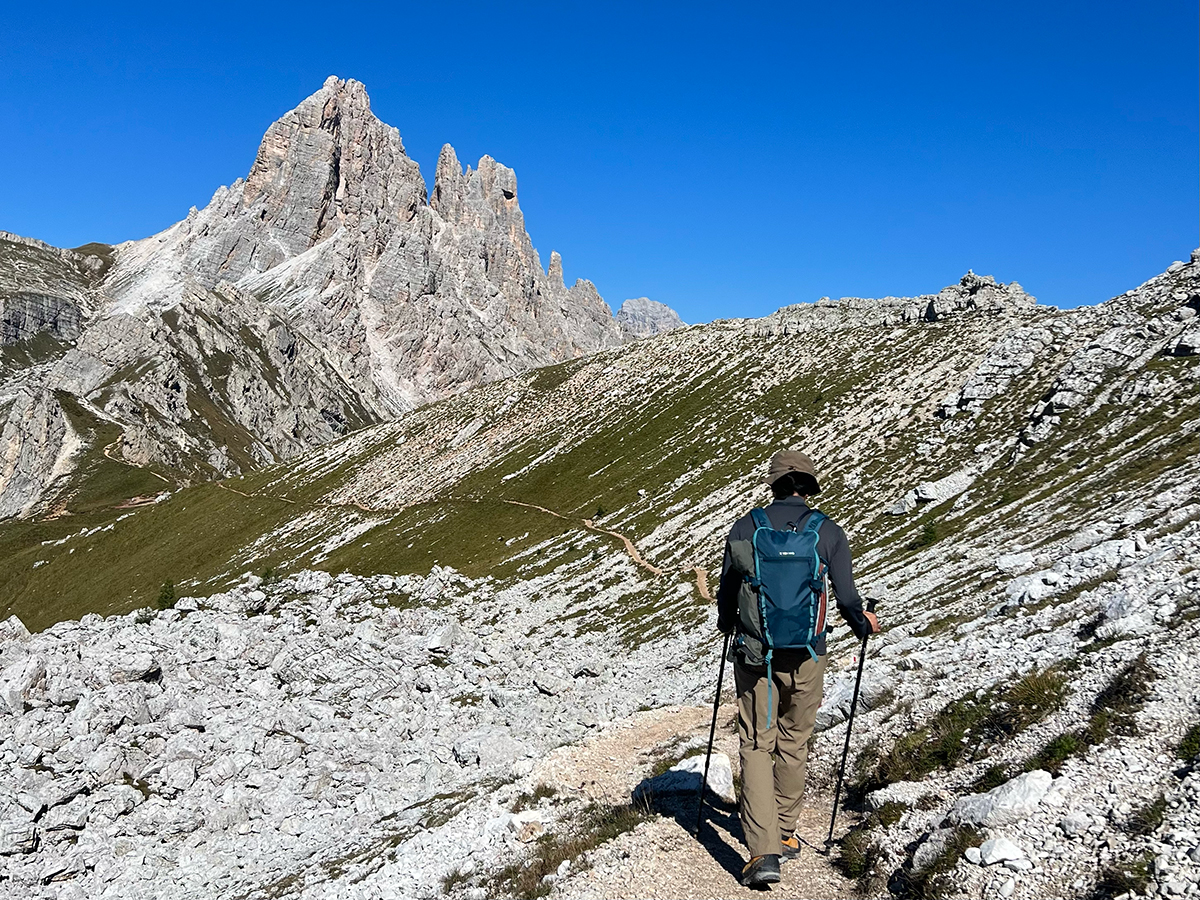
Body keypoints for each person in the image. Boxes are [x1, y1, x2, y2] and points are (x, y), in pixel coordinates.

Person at [716, 450, 880, 887]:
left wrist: (726, 624)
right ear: (808, 486)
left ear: (774, 485)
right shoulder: (827, 532)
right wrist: (862, 623)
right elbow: (845, 597)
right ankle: (786, 832)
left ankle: (762, 851)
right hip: (809, 652)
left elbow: (729, 586)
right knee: (795, 739)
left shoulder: (747, 527)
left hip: (756, 656)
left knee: (755, 743)